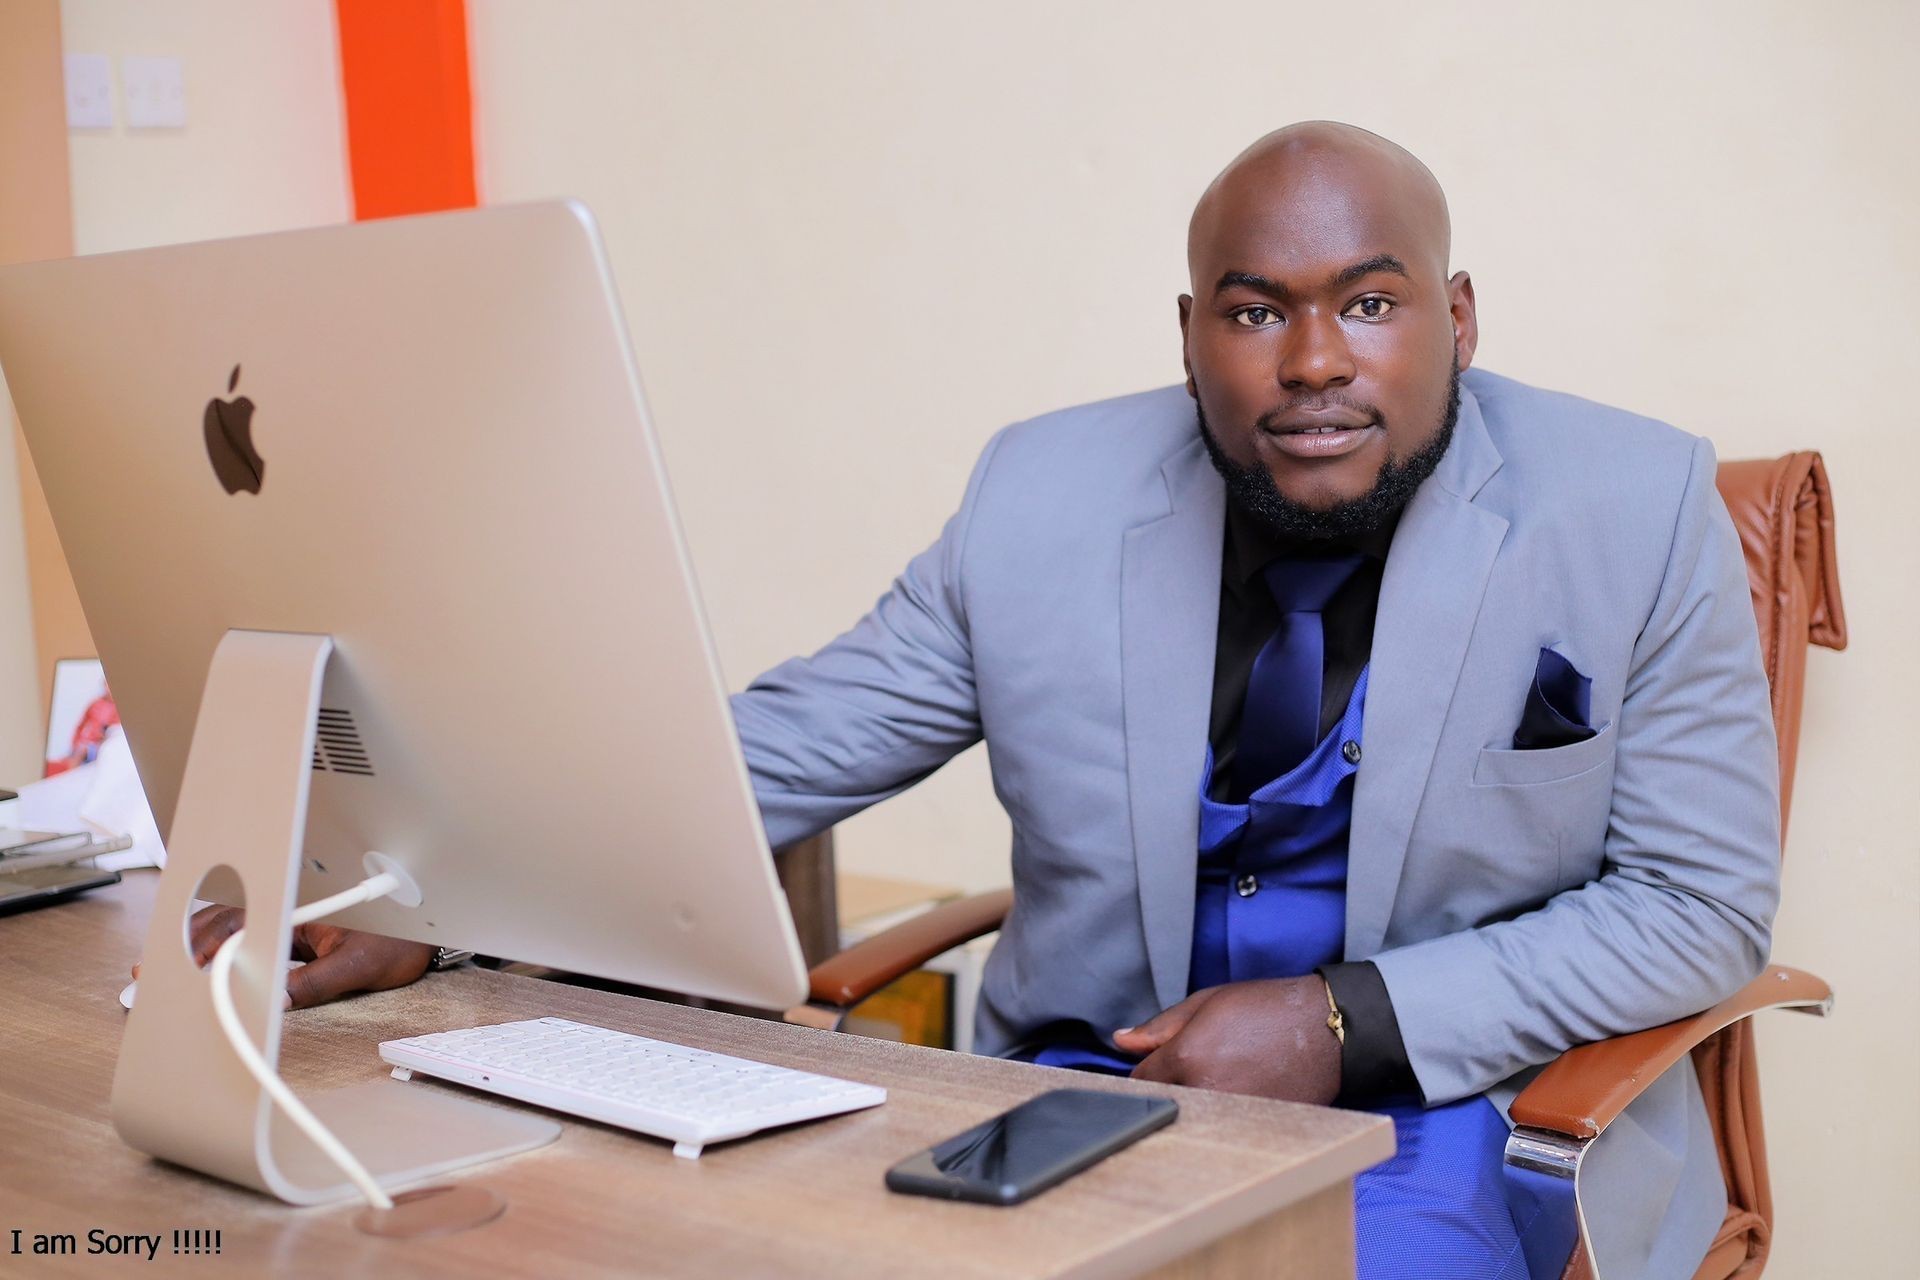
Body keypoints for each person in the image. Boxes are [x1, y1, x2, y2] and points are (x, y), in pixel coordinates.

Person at [176, 122, 1780, 1279]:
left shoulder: (1635, 508)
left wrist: (1345, 1018)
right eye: (1252, 308)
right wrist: (447, 893)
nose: (1309, 360)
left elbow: (1702, 907)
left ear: (1459, 317)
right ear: (1190, 331)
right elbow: (789, 745)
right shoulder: (1043, 494)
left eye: (1367, 301)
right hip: (1070, 1095)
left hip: (1443, 1105)